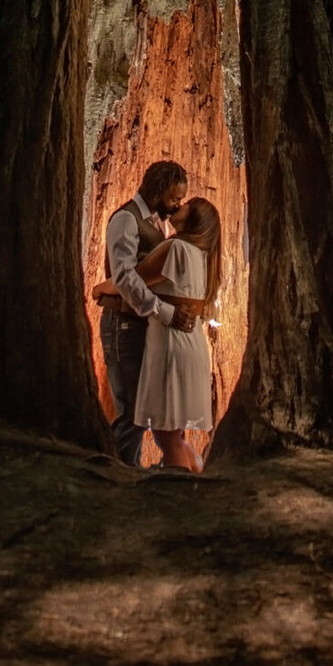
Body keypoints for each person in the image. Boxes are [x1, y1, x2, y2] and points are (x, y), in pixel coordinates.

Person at [98, 161, 194, 468]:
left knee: (145, 408)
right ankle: (121, 472)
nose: (177, 205)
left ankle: (131, 471)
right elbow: (125, 277)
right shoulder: (126, 220)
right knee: (133, 409)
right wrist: (164, 311)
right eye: (174, 198)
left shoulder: (157, 223)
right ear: (156, 191)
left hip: (142, 325)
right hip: (123, 325)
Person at [132, 196, 221, 473]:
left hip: (172, 346)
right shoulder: (204, 255)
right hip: (192, 346)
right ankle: (194, 471)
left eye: (185, 205)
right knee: (174, 433)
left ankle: (180, 490)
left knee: (166, 434)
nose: (177, 206)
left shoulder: (176, 248)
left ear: (193, 218)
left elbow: (133, 279)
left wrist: (102, 288)